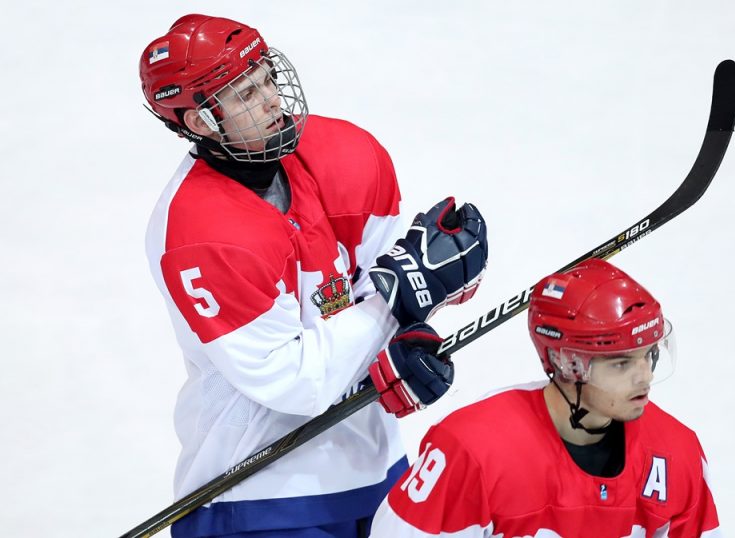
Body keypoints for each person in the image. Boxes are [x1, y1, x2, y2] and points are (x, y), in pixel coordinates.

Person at [139, 14, 488, 538]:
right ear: (199, 123)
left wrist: (410, 334)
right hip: (258, 496)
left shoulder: (346, 156)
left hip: (378, 471)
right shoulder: (200, 233)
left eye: (265, 81)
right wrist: (397, 298)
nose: (272, 102)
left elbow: (384, 291)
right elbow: (294, 380)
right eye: (244, 95)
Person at [370, 258, 721, 538]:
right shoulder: (471, 451)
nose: (644, 375)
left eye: (649, 355)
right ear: (566, 363)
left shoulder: (678, 454)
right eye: (621, 363)